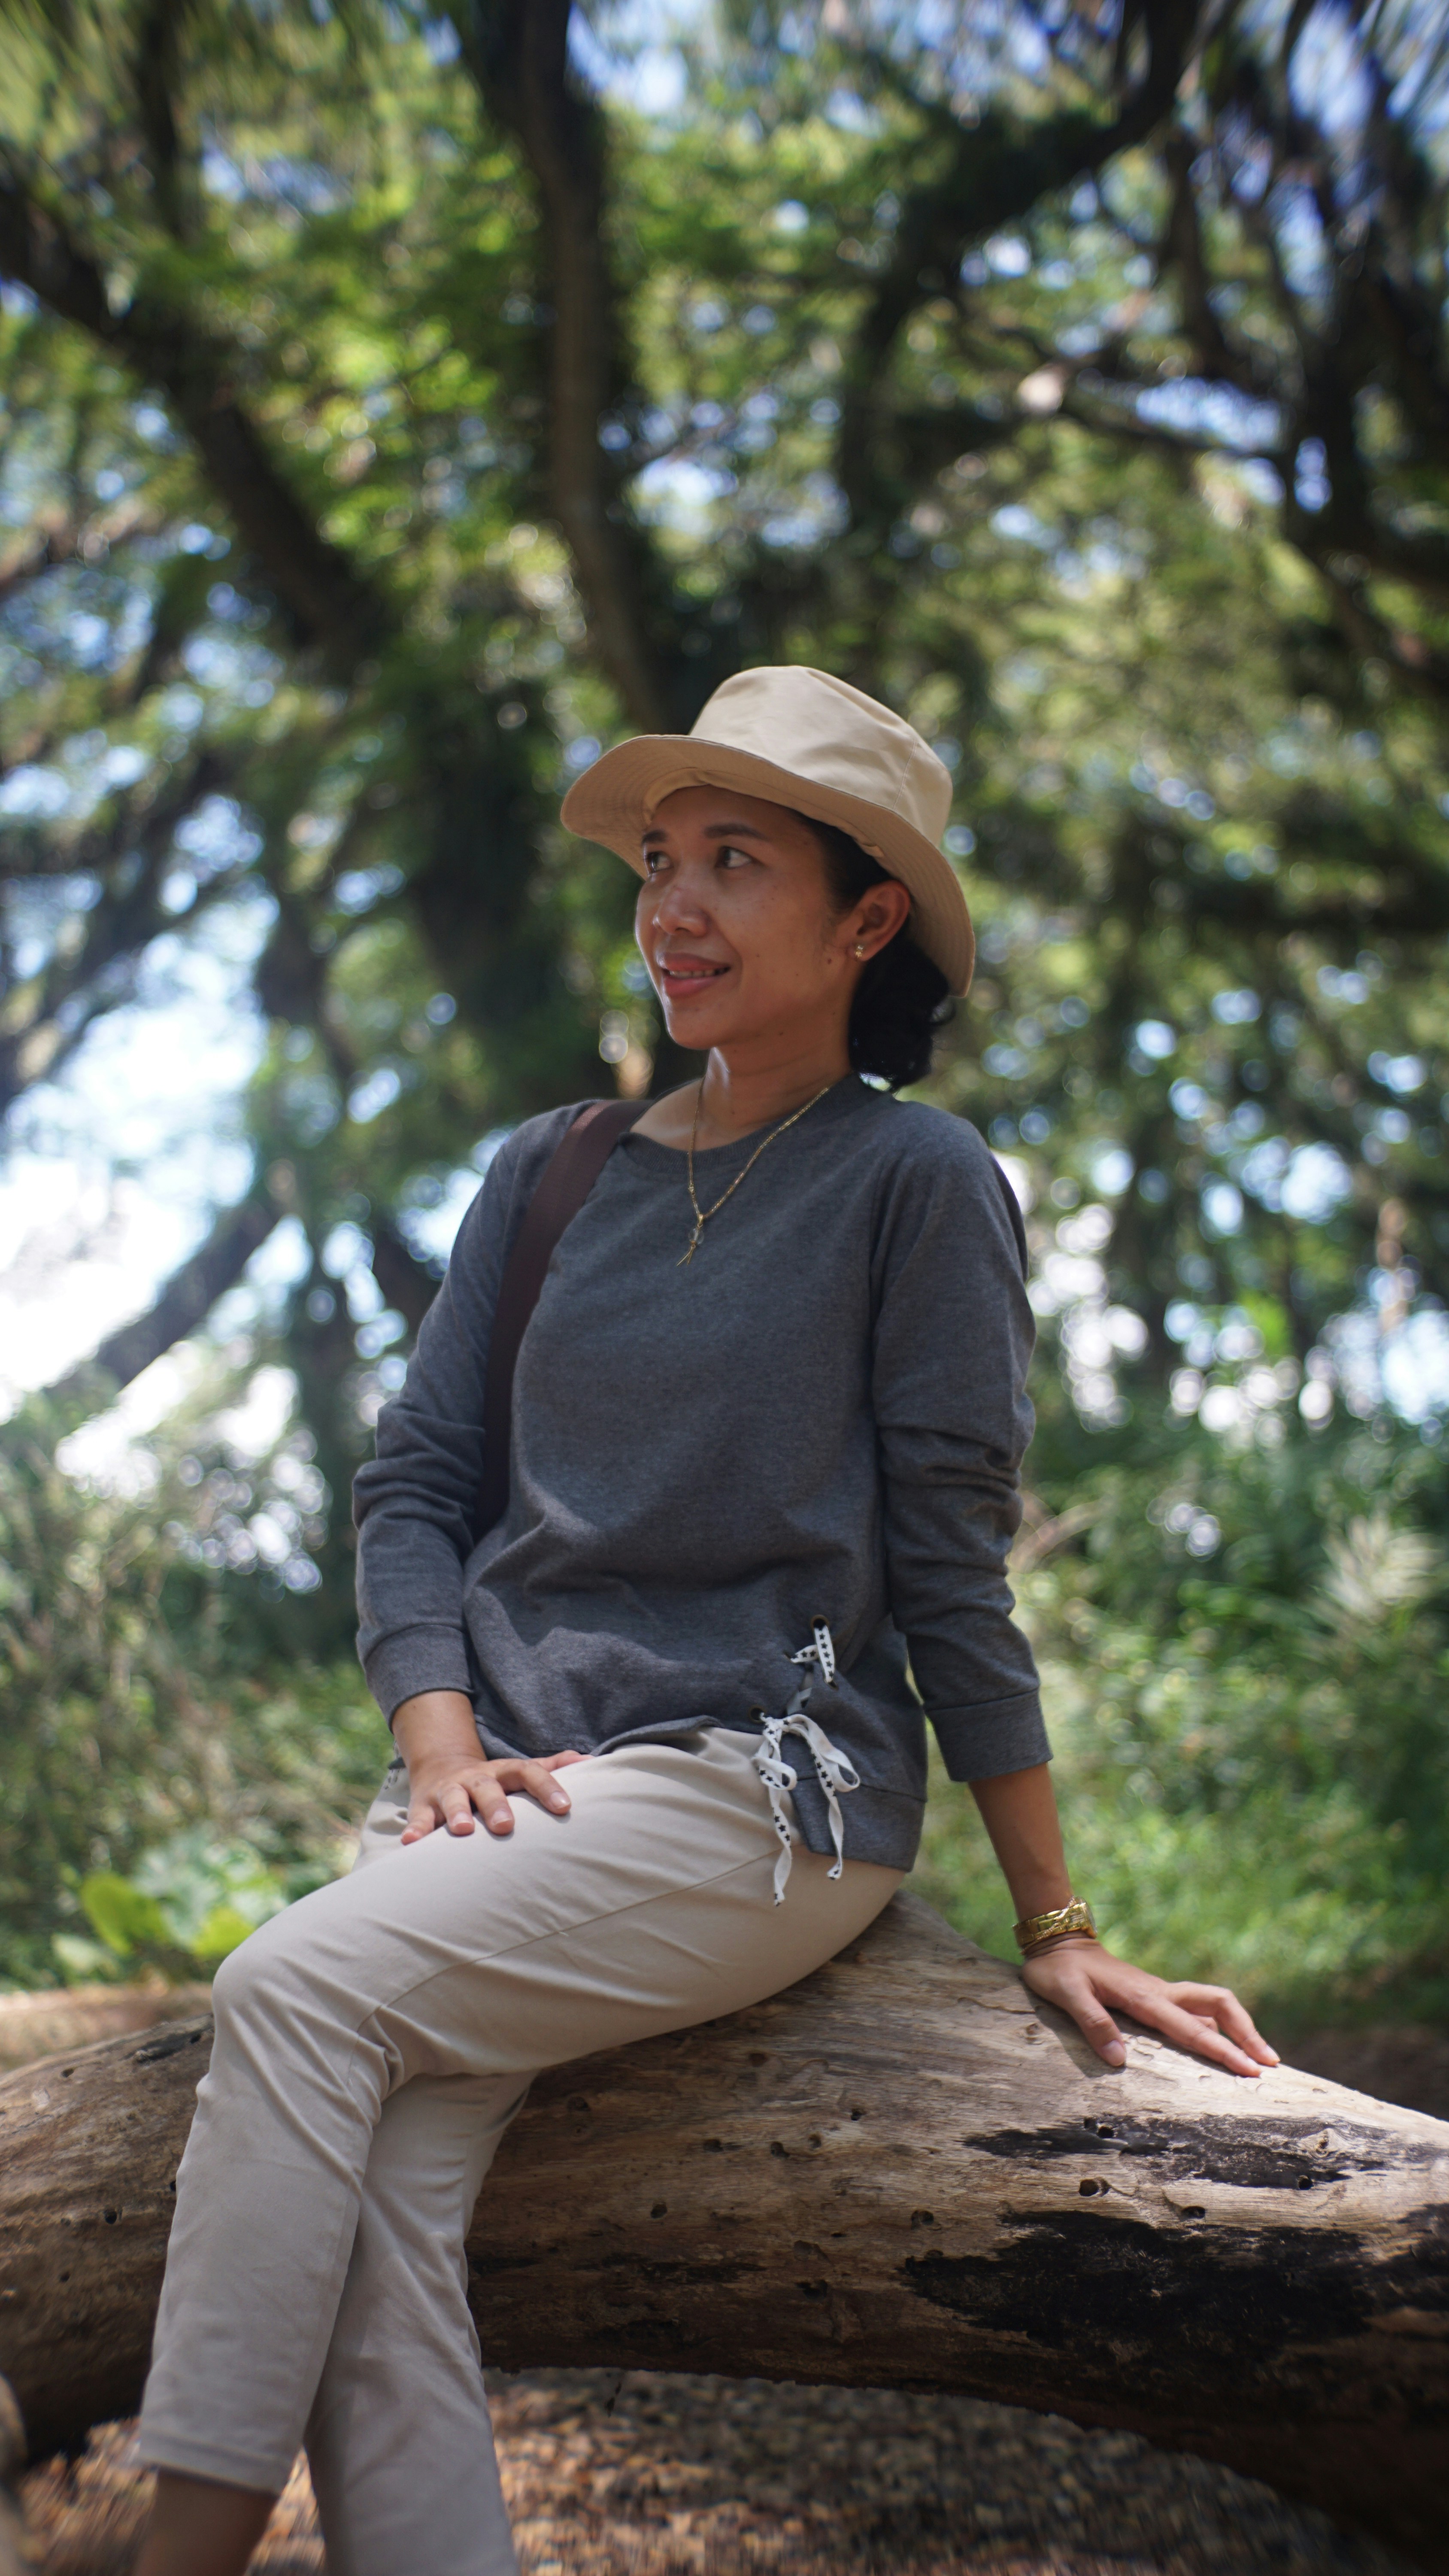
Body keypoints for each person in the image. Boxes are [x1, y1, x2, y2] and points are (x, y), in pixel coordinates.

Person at [133, 665, 1276, 2576]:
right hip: (488, 1795)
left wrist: (1058, 1924)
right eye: (659, 861)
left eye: (734, 861)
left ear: (866, 919)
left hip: (755, 1786)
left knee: (288, 1990)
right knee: (381, 2217)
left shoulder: (915, 1182)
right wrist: (437, 1736)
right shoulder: (552, 1171)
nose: (673, 904)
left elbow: (951, 1570)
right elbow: (414, 1487)